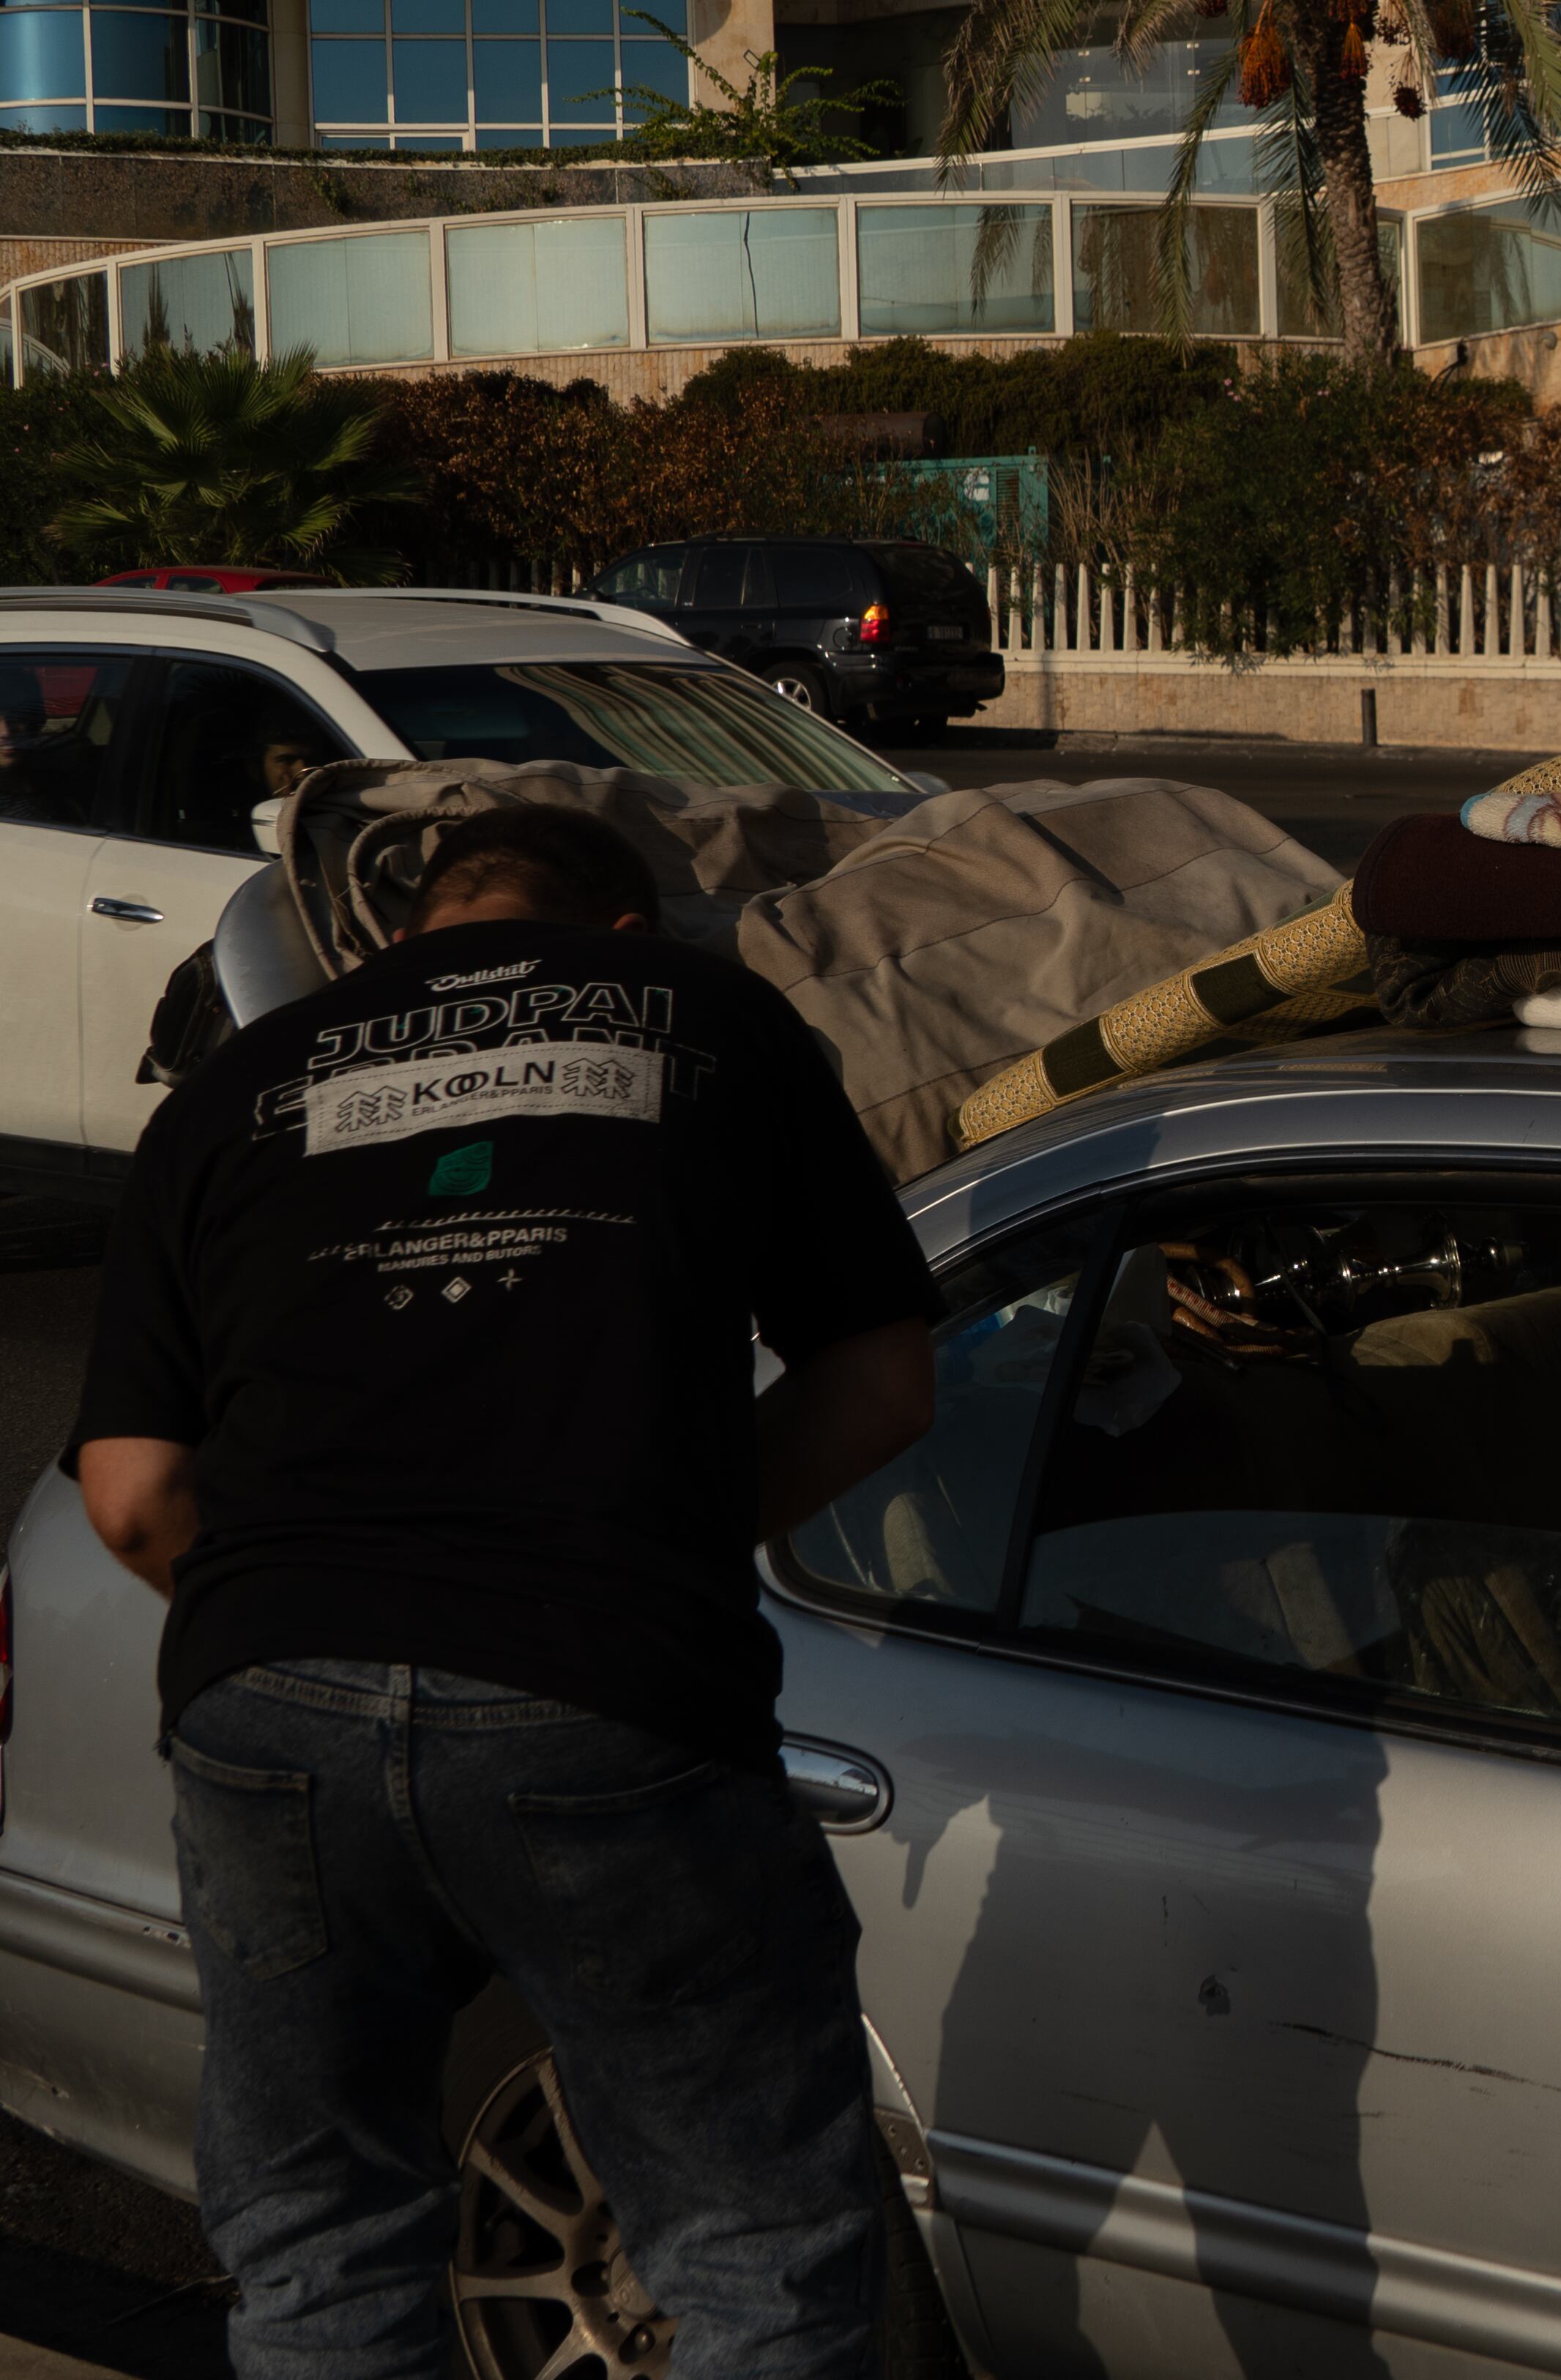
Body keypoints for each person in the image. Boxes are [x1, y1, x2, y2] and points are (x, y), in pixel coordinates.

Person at [68, 804, 945, 2380]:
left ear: (404, 940)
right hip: (600, 1678)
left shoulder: (234, 1085)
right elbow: (879, 1381)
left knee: (322, 2241)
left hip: (268, 1699)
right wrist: (638, 1554)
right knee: (754, 2250)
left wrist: (313, 1611)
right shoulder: (713, 1017)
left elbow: (131, 1490)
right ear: (621, 934)